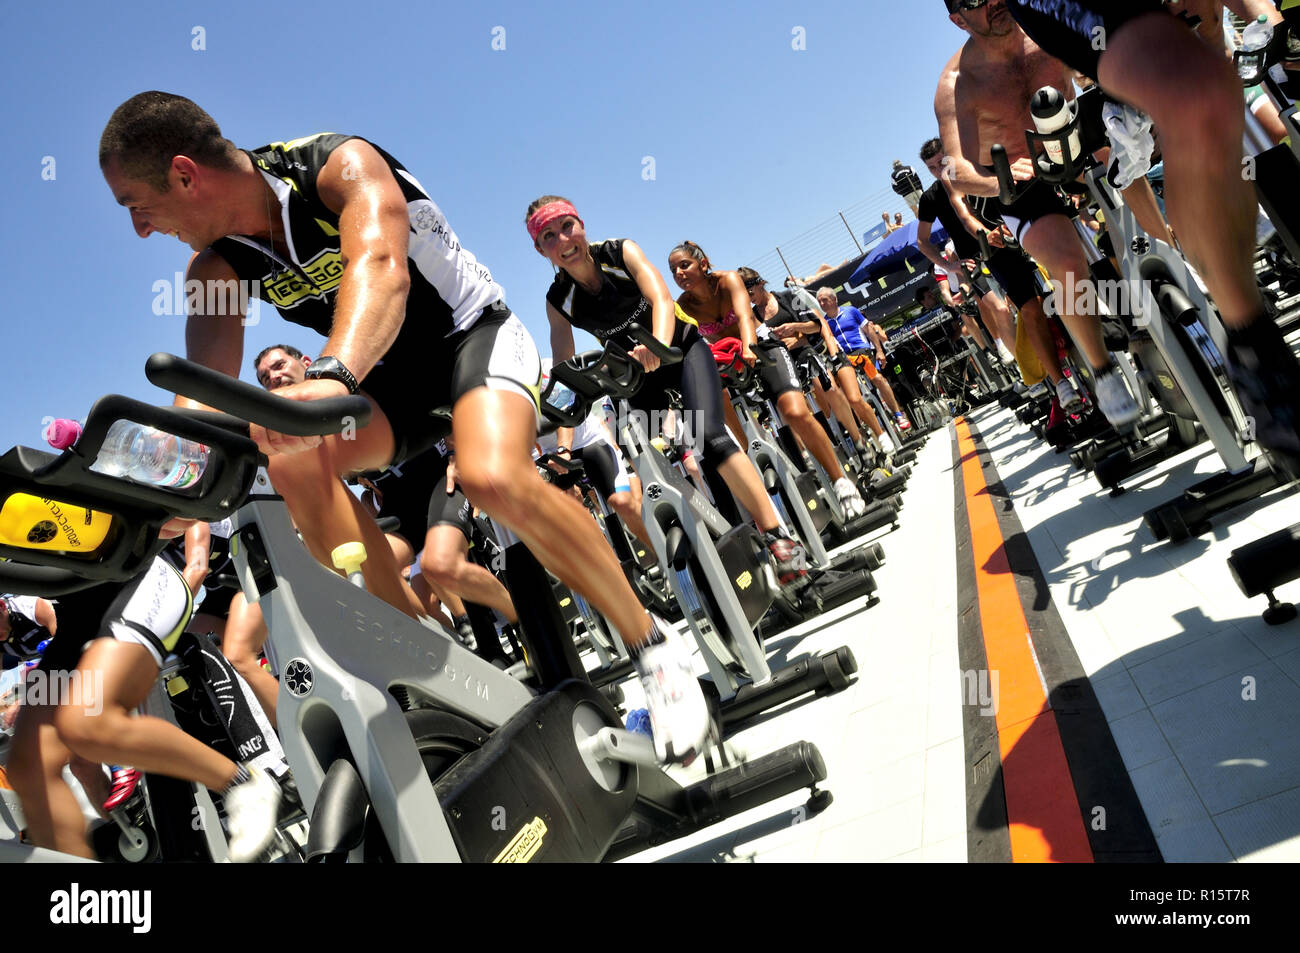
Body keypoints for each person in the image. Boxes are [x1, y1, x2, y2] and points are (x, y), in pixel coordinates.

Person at [100, 94, 710, 765]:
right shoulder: (215, 268)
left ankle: (655, 646)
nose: (138, 228)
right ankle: (436, 672)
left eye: (134, 202)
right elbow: (198, 392)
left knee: (490, 475)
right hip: (383, 384)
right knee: (291, 456)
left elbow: (381, 270)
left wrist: (332, 373)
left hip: (469, 337)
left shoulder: (335, 168)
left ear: (185, 174)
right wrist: (161, 492)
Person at [996, 0, 1300, 469]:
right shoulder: (963, 81)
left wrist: (1267, 22)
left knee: (1216, 81)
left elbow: (1251, 18)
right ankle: (1253, 349)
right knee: (1192, 91)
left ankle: (1226, 296)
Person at [529, 204, 810, 592]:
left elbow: (661, 298)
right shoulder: (558, 299)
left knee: (710, 438)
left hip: (679, 350)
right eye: (548, 236)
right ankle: (725, 545)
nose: (563, 240)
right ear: (540, 249)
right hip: (636, 378)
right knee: (661, 464)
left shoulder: (619, 252)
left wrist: (658, 346)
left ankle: (780, 538)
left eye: (567, 227)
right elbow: (565, 361)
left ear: (581, 226)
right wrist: (565, 405)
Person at [6, 530, 281, 861]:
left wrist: (194, 567)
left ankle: (241, 783)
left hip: (136, 585)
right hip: (76, 624)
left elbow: (180, 515)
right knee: (27, 766)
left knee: (87, 723)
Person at [934, 0, 1143, 429]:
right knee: (1066, 263)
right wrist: (1000, 181)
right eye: (974, 1)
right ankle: (1103, 371)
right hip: (1020, 178)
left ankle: (1176, 268)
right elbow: (957, 169)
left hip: (1075, 141)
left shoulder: (1045, 25)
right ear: (957, 19)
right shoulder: (958, 82)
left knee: (1130, 168)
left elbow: (1104, 58)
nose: (992, 3)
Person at [736, 268, 870, 514]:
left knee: (822, 384)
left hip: (803, 352)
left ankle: (858, 438)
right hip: (779, 362)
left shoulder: (787, 297)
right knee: (787, 409)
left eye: (749, 290)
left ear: (759, 283)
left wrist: (794, 330)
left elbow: (818, 326)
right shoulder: (750, 315)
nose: (748, 297)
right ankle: (813, 459)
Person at [814, 288, 902, 455]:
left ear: (834, 299)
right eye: (819, 301)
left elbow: (869, 329)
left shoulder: (851, 311)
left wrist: (879, 351)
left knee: (877, 379)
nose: (822, 304)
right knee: (847, 395)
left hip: (862, 351)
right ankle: (864, 429)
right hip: (844, 359)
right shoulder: (824, 323)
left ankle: (898, 414)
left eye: (824, 300)